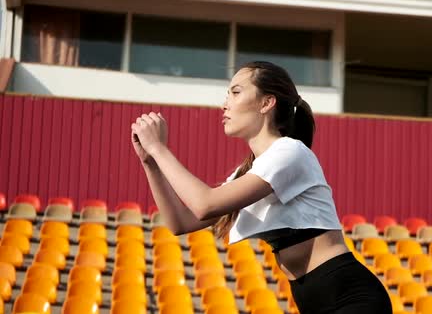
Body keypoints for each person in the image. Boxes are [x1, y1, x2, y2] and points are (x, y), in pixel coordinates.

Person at [131, 61, 392, 313]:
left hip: (350, 297)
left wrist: (159, 148)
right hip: (312, 301)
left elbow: (204, 204)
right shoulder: (248, 172)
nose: (225, 104)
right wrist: (151, 163)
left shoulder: (290, 152)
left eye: (235, 92)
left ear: (267, 103)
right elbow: (181, 223)